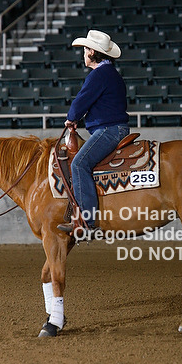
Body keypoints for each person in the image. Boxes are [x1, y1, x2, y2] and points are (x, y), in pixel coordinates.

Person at [58, 30, 129, 235]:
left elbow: (81, 101)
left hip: (108, 130)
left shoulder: (99, 75)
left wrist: (71, 118)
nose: (83, 54)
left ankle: (86, 221)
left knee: (79, 164)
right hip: (116, 128)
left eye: (85, 50)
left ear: (92, 52)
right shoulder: (111, 74)